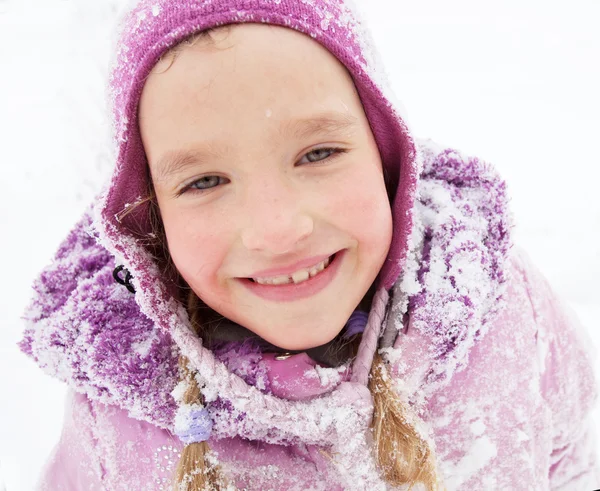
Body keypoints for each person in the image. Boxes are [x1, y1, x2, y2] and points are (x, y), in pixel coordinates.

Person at [19, 0, 599, 489]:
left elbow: (572, 456)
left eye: (317, 154)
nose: (277, 230)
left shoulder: (499, 310)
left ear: (389, 161)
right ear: (152, 221)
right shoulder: (120, 420)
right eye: (204, 181)